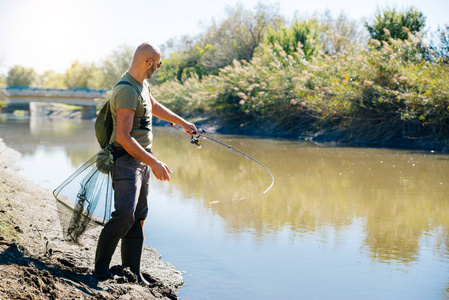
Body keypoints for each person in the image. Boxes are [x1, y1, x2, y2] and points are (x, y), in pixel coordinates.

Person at [94, 42, 197, 284]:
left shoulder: (141, 84)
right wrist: (154, 163)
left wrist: (183, 123)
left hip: (140, 158)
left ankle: (132, 270)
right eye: (158, 64)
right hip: (126, 160)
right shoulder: (127, 90)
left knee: (139, 215)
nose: (158, 68)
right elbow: (123, 136)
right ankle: (99, 270)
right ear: (148, 62)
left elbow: (153, 105)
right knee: (125, 214)